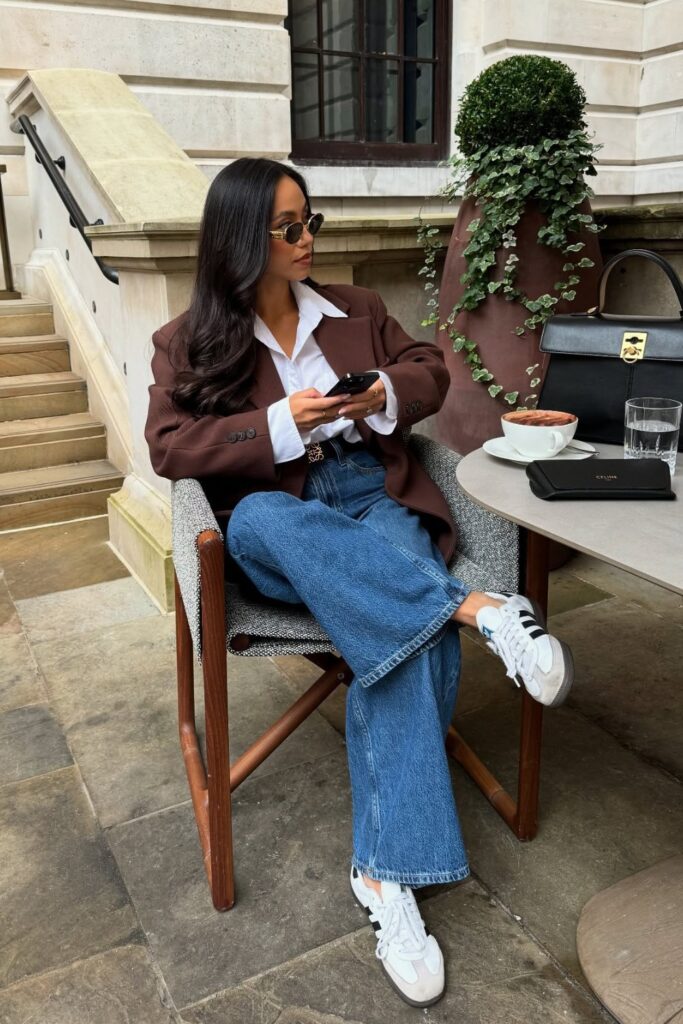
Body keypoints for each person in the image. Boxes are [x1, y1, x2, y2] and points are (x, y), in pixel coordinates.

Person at [145, 158, 574, 1009]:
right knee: (267, 522)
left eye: (312, 222)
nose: (308, 240)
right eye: (290, 227)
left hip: (372, 493)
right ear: (241, 238)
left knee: (397, 642)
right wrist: (276, 423)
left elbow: (429, 370)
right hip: (279, 520)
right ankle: (476, 608)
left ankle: (384, 879)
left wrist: (378, 392)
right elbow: (170, 447)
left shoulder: (358, 310)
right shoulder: (186, 340)